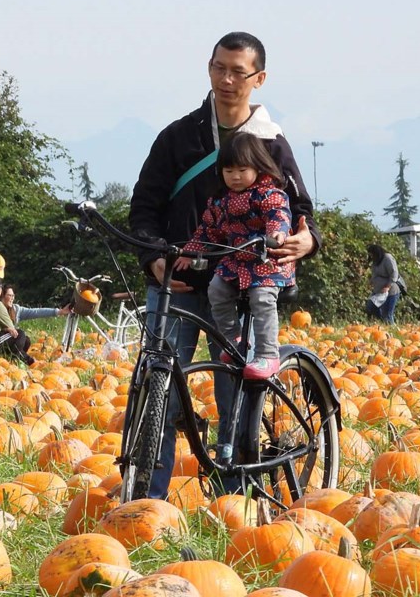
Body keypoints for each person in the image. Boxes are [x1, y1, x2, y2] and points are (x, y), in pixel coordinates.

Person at [128, 31, 321, 499]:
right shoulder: (178, 137)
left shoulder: (271, 143)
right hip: (177, 281)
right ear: (208, 68)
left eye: (239, 71)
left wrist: (304, 241)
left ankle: (236, 499)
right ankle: (145, 503)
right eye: (219, 67)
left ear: (259, 79)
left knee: (232, 393)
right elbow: (144, 208)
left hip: (239, 283)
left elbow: (302, 212)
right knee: (160, 392)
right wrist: (155, 258)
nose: (227, 79)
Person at [174, 132, 295, 380]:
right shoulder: (221, 202)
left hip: (266, 261)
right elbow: (207, 229)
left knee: (262, 299)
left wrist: (277, 234)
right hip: (236, 261)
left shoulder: (268, 194)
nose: (235, 176)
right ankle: (232, 339)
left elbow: (279, 216)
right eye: (229, 171)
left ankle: (268, 354)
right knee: (216, 290)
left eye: (242, 169)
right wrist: (191, 250)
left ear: (258, 167)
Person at [0, 283, 73, 365]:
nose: (12, 298)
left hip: (10, 342)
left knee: (26, 340)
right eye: (9, 295)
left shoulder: (15, 310)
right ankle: (29, 361)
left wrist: (59, 312)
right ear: (2, 296)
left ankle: (14, 358)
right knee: (20, 334)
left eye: (13, 296)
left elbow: (36, 312)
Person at [365, 243, 400, 323]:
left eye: (372, 255)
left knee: (387, 314)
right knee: (370, 307)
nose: (371, 257)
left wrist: (387, 286)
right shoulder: (375, 261)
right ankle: (382, 323)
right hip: (378, 291)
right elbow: (375, 274)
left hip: (390, 291)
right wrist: (371, 282)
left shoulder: (387, 258)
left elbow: (394, 274)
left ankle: (389, 328)